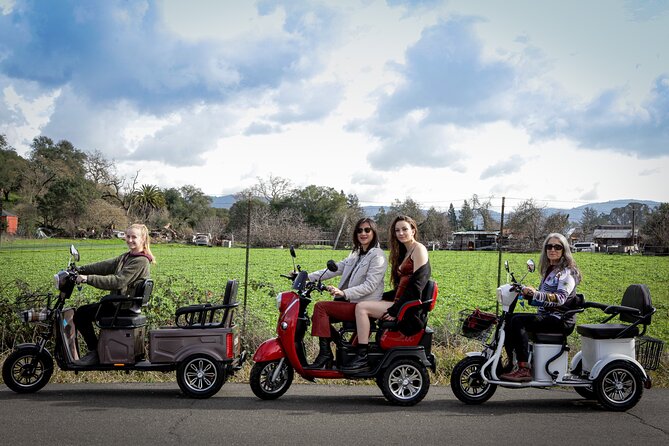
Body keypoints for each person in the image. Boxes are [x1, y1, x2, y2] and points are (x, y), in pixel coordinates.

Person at [343, 215, 431, 372]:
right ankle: (351, 347)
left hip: (410, 309)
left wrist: (395, 310)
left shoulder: (419, 249)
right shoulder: (405, 251)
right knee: (367, 301)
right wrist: (382, 297)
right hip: (401, 301)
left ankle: (361, 355)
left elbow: (417, 286)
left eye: (405, 229)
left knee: (362, 308)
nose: (401, 233)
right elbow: (400, 289)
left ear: (413, 230)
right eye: (397, 230)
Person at [306, 218, 387, 369]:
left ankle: (325, 354)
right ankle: (341, 346)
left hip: (362, 305)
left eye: (367, 230)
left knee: (321, 308)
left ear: (374, 232)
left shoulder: (378, 255)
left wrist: (343, 293)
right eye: (359, 230)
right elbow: (335, 269)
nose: (363, 233)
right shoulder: (356, 253)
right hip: (350, 302)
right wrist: (305, 276)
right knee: (317, 316)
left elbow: (370, 285)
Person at [501, 232, 582, 382]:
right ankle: (512, 363)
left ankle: (524, 369)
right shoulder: (550, 271)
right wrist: (527, 295)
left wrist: (536, 294)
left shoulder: (566, 272)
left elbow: (560, 299)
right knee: (509, 319)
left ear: (564, 250)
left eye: (557, 247)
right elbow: (544, 299)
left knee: (518, 321)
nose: (552, 249)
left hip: (560, 319)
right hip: (549, 316)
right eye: (549, 246)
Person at [73, 223, 156, 366]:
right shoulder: (127, 257)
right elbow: (106, 266)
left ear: (143, 239)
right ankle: (97, 351)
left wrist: (88, 279)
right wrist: (81, 269)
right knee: (84, 312)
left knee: (81, 315)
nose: (129, 240)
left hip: (122, 306)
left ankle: (95, 352)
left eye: (133, 237)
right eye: (127, 236)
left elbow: (118, 281)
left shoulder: (140, 261)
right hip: (120, 303)